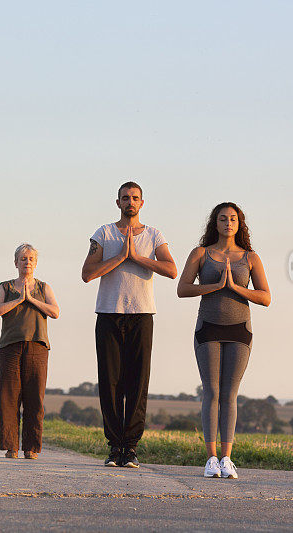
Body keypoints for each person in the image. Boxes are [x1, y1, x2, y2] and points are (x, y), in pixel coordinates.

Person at [81, 181, 177, 468]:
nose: (130, 202)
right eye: (125, 198)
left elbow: (172, 270)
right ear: (118, 202)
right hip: (108, 314)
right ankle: (114, 447)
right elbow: (87, 273)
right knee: (110, 383)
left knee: (137, 382)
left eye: (135, 198)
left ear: (142, 203)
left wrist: (137, 257)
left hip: (142, 315)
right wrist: (120, 257)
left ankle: (131, 447)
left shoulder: (153, 234)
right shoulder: (104, 233)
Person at [177, 202, 271, 479]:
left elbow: (265, 297)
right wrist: (216, 287)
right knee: (212, 392)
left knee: (230, 394)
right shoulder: (201, 253)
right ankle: (211, 459)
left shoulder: (250, 258)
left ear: (239, 223)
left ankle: (227, 458)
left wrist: (236, 288)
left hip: (239, 330)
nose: (228, 223)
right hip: (208, 328)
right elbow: (182, 288)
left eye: (232, 219)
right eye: (222, 218)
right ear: (214, 223)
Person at [0, 243, 59, 459]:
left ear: (35, 263)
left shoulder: (44, 287)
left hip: (37, 346)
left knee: (34, 398)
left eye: (30, 259)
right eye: (23, 259)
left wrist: (32, 300)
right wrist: (19, 299)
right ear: (16, 262)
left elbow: (55, 312)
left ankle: (31, 447)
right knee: (8, 398)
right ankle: (11, 446)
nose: (26, 262)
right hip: (10, 347)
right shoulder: (6, 287)